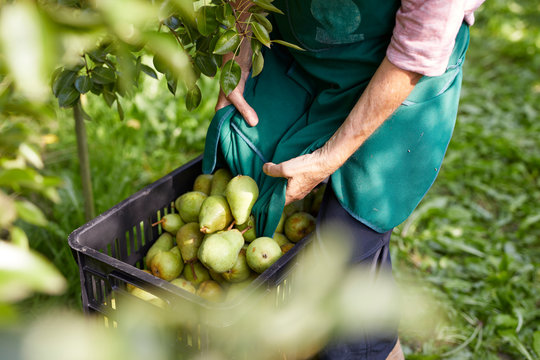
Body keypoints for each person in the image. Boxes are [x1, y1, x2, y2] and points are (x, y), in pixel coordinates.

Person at [204, 1, 485, 359]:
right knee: (249, 172)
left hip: (397, 80)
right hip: (296, 57)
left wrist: (328, 158)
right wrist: (236, 64)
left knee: (348, 304)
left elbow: (419, 46)